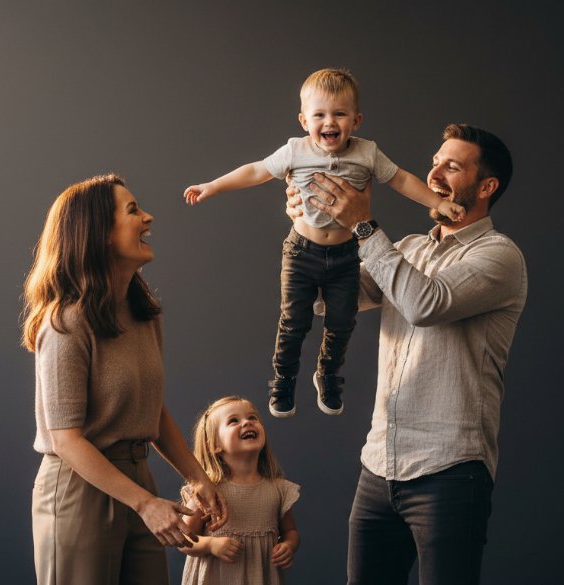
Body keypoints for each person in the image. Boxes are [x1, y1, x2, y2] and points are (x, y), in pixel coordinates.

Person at [287, 124, 528, 584]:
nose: (433, 173)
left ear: (486, 187)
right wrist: (310, 229)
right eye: (435, 161)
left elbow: (424, 304)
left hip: (451, 471)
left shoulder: (500, 256)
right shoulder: (409, 248)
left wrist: (362, 226)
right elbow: (322, 300)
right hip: (379, 467)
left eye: (452, 166)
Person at [183, 68, 465, 419]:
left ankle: (328, 375)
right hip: (302, 252)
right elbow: (255, 171)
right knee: (293, 321)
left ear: (357, 120)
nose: (329, 122)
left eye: (340, 114)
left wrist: (436, 203)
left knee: (342, 321)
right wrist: (212, 186)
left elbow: (402, 180)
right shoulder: (295, 151)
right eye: (319, 115)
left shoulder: (367, 153)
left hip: (347, 254)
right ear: (304, 120)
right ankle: (283, 380)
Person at [22, 174, 228, 585]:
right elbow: (66, 439)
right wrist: (146, 504)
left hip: (138, 481)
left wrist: (197, 476)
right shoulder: (66, 322)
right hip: (79, 490)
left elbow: (151, 410)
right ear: (97, 234)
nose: (148, 217)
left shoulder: (142, 314)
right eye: (133, 210)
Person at [179, 396, 301, 585]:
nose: (247, 423)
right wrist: (210, 545)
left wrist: (288, 546)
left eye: (253, 418)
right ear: (215, 445)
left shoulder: (278, 489)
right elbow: (183, 538)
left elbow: (290, 530)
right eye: (234, 421)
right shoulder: (207, 491)